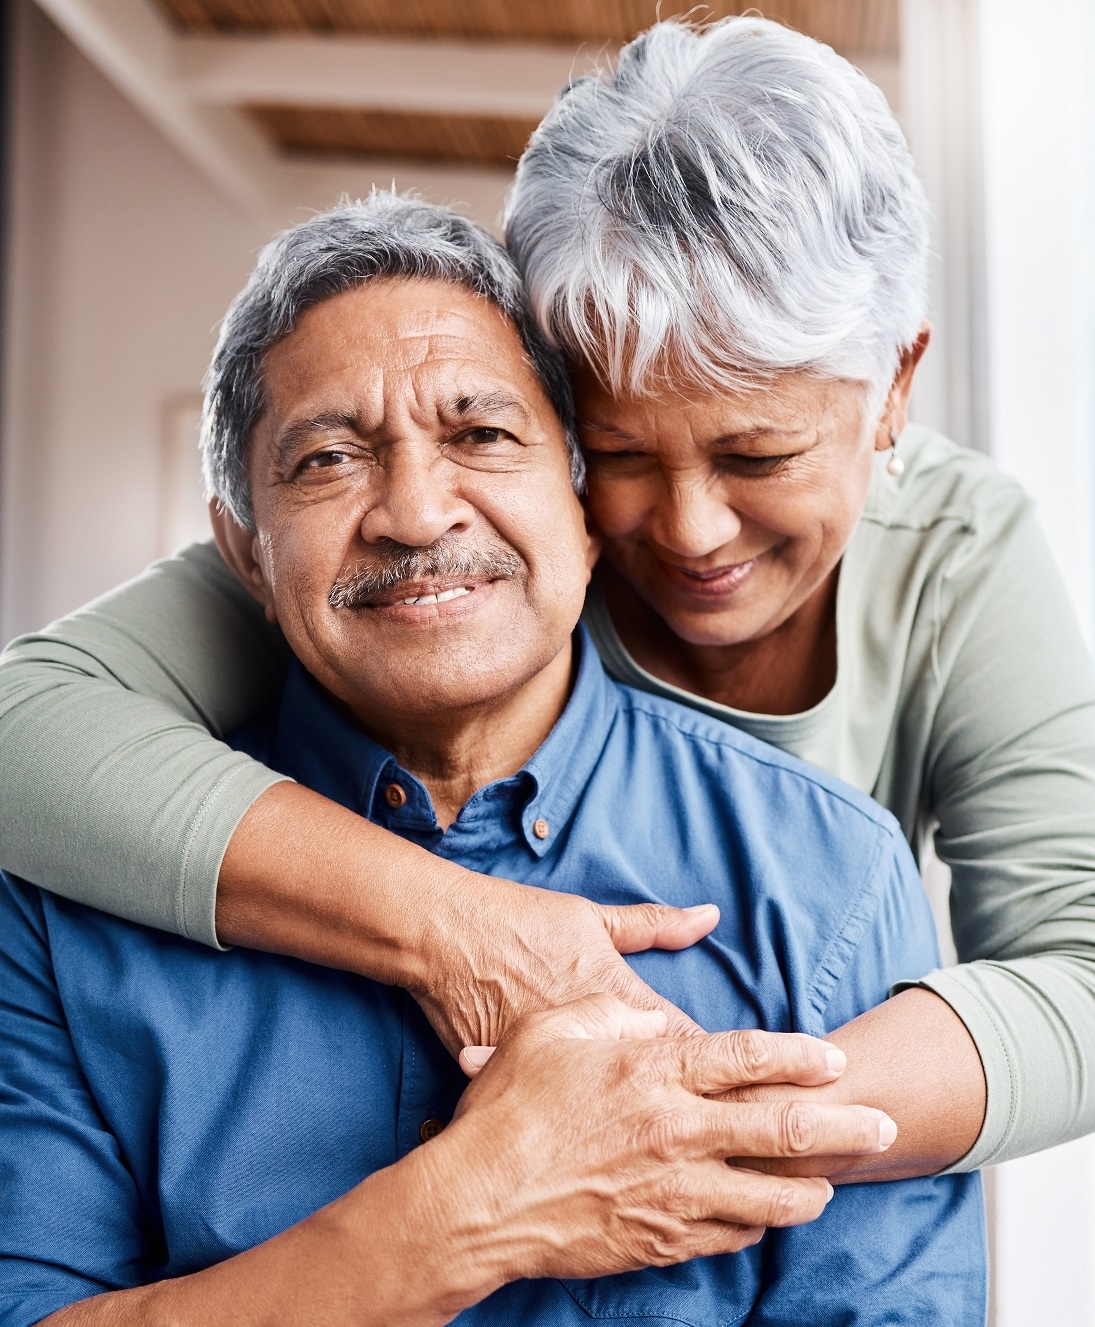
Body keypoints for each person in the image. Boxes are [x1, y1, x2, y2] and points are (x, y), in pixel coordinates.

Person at [1, 15, 1092, 1181]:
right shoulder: (450, 549)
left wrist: (676, 1118)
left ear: (894, 387)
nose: (690, 529)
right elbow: (33, 728)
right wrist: (462, 930)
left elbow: (1079, 967)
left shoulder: (954, 552)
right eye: (620, 452)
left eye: (758, 457)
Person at [0, 196, 984, 1327]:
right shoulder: (62, 907)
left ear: (581, 500)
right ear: (244, 554)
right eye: (328, 458)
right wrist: (461, 1215)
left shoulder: (825, 873)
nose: (416, 513)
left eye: (481, 436)